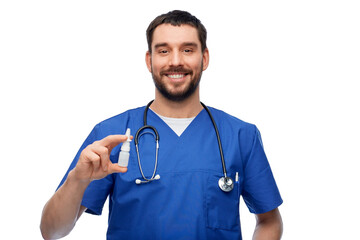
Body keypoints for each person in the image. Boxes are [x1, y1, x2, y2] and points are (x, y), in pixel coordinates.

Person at [40, 10, 283, 240]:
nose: (175, 61)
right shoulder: (112, 135)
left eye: (187, 50)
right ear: (150, 60)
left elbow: (269, 220)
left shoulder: (240, 136)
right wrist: (77, 180)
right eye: (164, 51)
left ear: (204, 57)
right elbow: (51, 232)